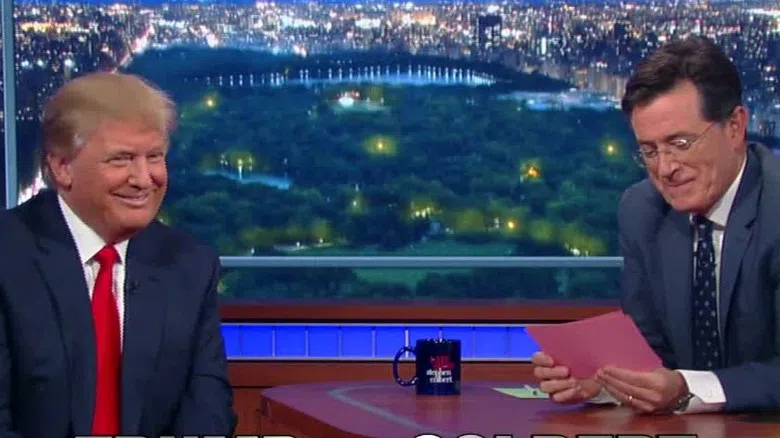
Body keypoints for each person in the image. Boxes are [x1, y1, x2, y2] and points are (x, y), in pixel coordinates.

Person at [532, 35, 780, 413]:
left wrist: (686, 388)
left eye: (680, 143)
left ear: (735, 127)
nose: (665, 169)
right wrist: (604, 382)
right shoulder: (643, 210)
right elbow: (649, 354)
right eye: (649, 151)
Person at [0, 72, 237, 437]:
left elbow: (207, 411)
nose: (143, 179)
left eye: (154, 157)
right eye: (121, 159)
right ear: (62, 167)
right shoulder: (8, 255)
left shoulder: (189, 265)